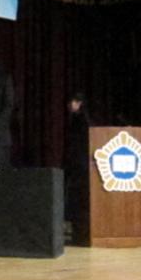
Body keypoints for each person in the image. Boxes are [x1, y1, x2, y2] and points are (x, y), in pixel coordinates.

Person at [63, 92, 91, 221]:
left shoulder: (83, 119)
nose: (69, 105)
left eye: (72, 102)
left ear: (79, 103)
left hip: (80, 160)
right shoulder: (74, 118)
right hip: (74, 159)